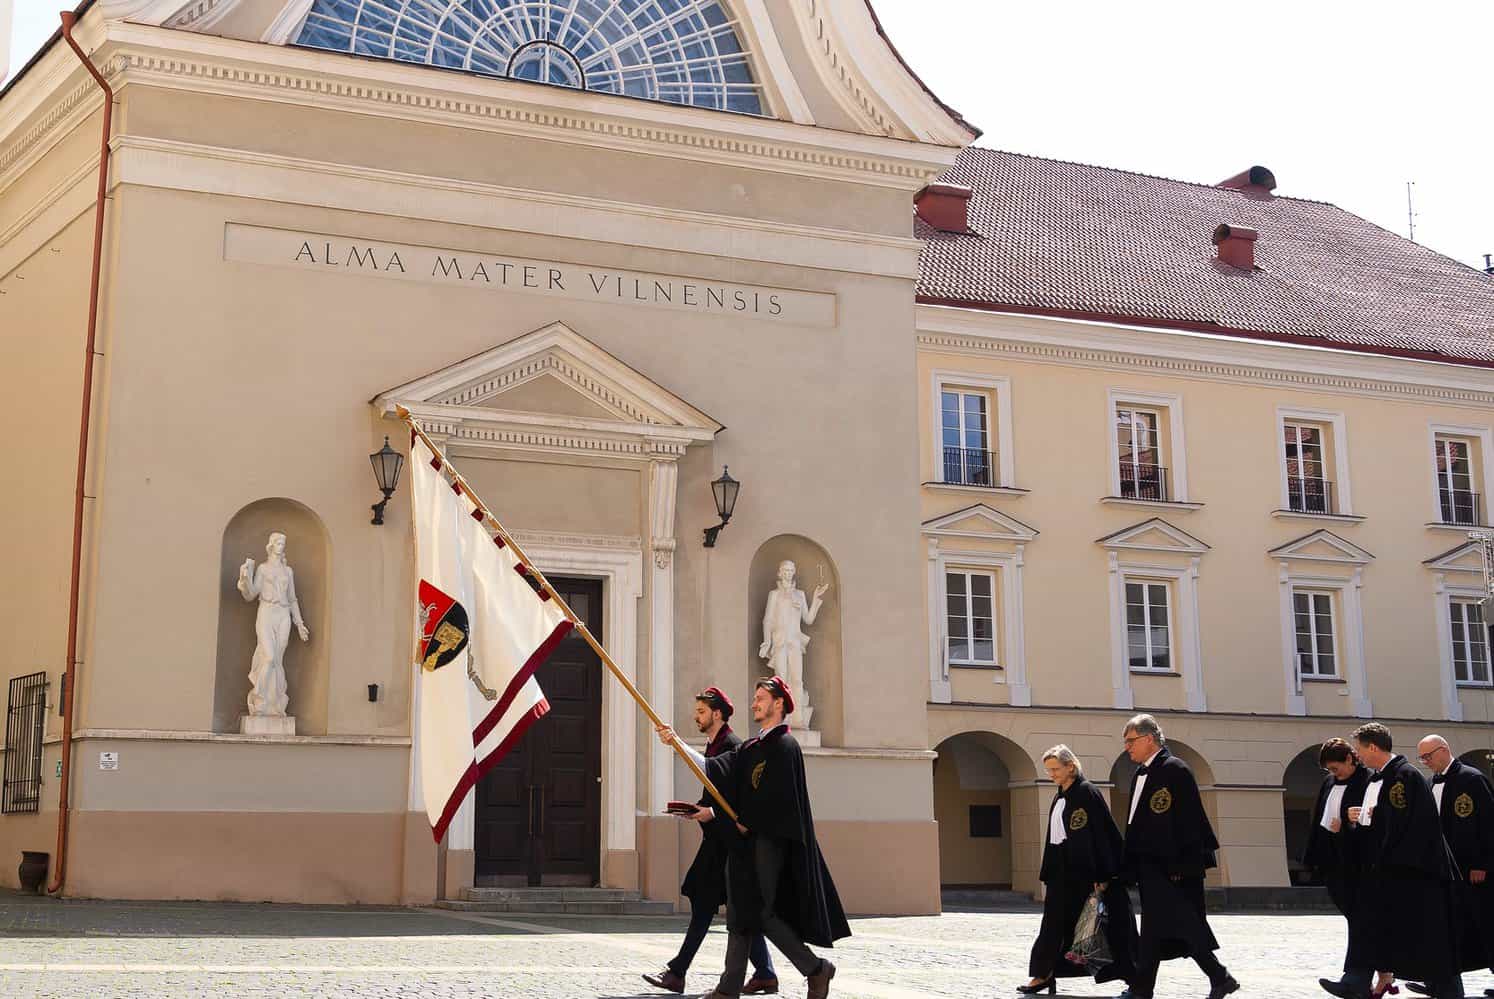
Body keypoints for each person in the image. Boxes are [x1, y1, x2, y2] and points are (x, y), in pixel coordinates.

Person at [657, 676, 848, 999]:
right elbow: (714, 770)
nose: (754, 702)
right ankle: (729, 988)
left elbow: (776, 801)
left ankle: (815, 969)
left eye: (760, 698)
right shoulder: (750, 748)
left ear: (778, 704)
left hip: (770, 843)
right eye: (755, 697)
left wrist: (745, 820)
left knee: (760, 913)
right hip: (744, 842)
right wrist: (677, 743)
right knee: (740, 909)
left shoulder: (785, 748)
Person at [643, 687, 778, 995]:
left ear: (718, 714)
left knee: (708, 904)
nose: (697, 716)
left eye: (702, 712)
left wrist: (711, 813)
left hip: (729, 845)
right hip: (719, 842)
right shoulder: (714, 743)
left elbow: (738, 800)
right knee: (736, 908)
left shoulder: (732, 745)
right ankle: (766, 973)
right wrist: (698, 811)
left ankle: (677, 972)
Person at [1332, 723, 1462, 999]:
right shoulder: (1376, 779)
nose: (1357, 756)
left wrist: (1373, 822)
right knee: (1370, 923)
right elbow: (1380, 821)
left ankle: (1446, 989)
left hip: (1413, 872)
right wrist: (1357, 820)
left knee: (1429, 935)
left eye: (1359, 750)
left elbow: (1403, 824)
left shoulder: (1403, 777)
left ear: (1373, 747)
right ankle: (1356, 980)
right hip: (1386, 868)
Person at [1118, 714, 1238, 999]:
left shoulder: (1175, 770)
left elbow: (1188, 822)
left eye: (1131, 741)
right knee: (1156, 929)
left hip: (1174, 866)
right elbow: (1137, 823)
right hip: (1149, 863)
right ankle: (1145, 987)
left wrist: (1181, 865)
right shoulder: (1141, 774)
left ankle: (1218, 977)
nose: (1127, 748)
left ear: (1149, 739)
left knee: (1182, 926)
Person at [1022, 744, 1137, 994]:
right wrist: (1049, 873)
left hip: (1086, 874)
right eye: (1048, 769)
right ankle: (1044, 974)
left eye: (1055, 769)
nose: (1051, 774)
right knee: (1053, 926)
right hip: (1062, 873)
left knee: (1107, 928)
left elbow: (1100, 836)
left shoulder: (1086, 793)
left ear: (1070, 767)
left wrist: (1103, 875)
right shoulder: (1061, 794)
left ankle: (1133, 978)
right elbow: (1055, 839)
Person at [1411, 735, 1494, 997]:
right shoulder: (1428, 783)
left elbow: (1489, 825)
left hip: (1473, 870)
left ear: (1444, 750)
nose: (1425, 762)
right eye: (1421, 758)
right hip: (1443, 872)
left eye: (1428, 756)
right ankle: (1440, 980)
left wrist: (1482, 863)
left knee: (1487, 926)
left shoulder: (1471, 779)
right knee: (1445, 929)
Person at [1304, 738, 1373, 996]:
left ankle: (1355, 979)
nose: (1334, 774)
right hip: (1334, 862)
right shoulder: (1329, 783)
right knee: (1358, 922)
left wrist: (1345, 822)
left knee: (1361, 922)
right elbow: (1317, 820)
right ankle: (1367, 977)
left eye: (1336, 768)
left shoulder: (1368, 781)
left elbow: (1370, 819)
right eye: (1329, 770)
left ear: (1350, 759)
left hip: (1359, 863)